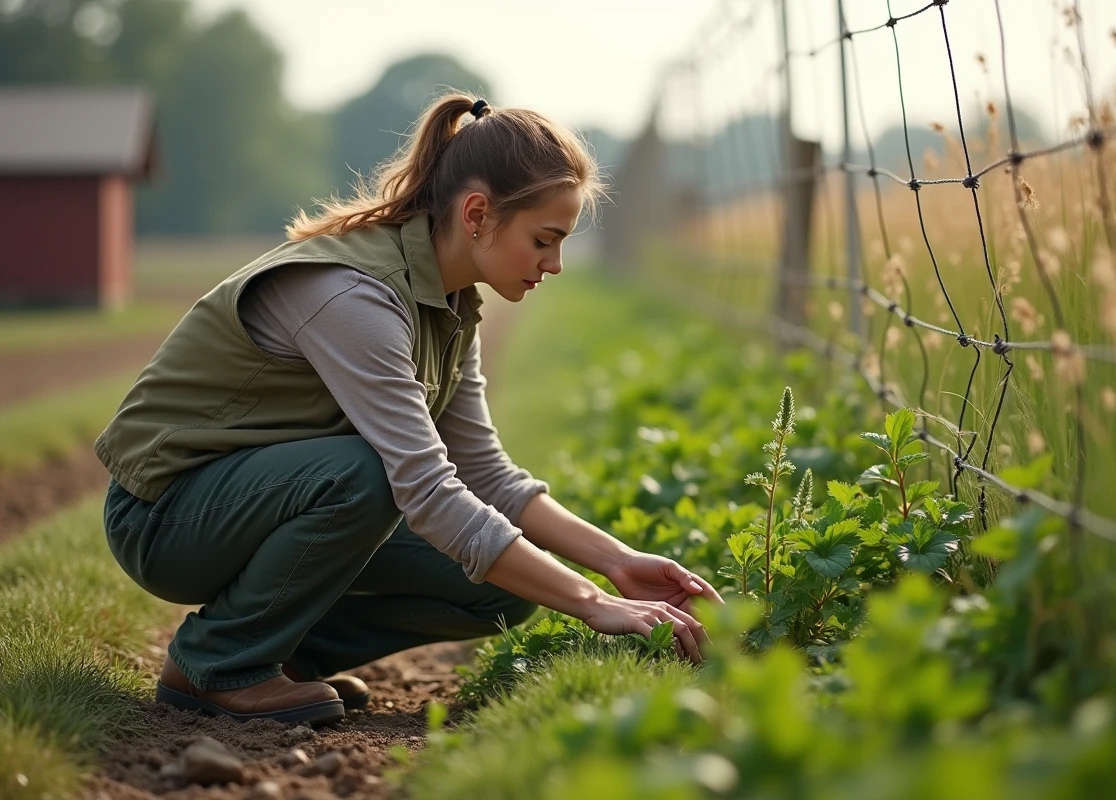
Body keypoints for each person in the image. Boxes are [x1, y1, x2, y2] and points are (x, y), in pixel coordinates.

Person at [97, 92, 722, 726]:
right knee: (367, 472)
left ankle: (262, 655)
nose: (554, 264)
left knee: (498, 591)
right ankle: (223, 663)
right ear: (478, 213)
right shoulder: (354, 296)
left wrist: (615, 564)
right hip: (164, 518)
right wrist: (590, 601)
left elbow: (487, 475)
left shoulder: (451, 305)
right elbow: (424, 486)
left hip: (255, 503)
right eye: (544, 239)